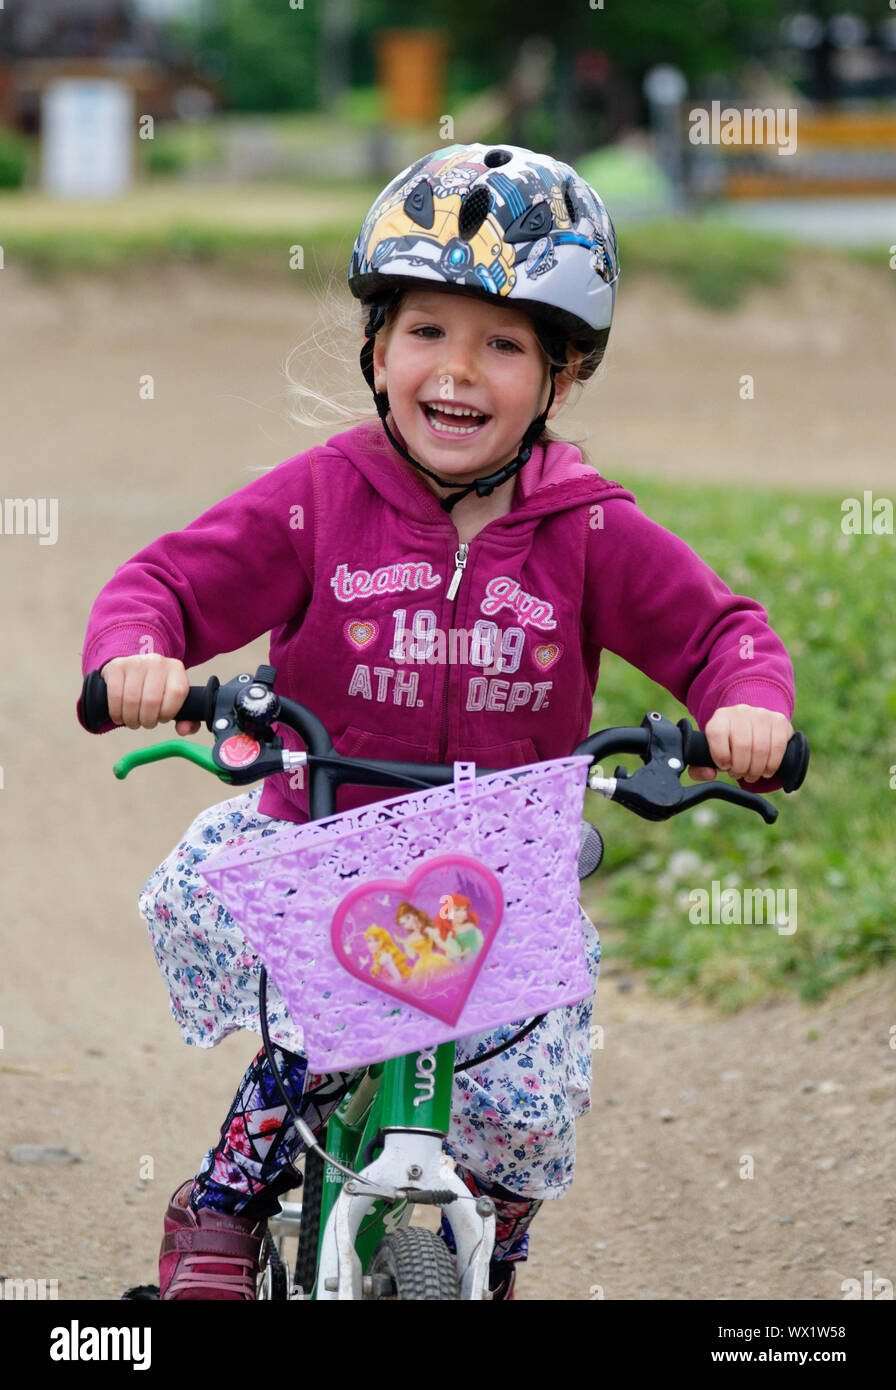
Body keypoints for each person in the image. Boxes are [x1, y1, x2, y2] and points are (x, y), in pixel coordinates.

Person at [76, 141, 795, 1301]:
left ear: (560, 378)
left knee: (518, 1110)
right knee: (305, 1045)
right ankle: (219, 1210)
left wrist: (745, 711)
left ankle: (487, 1252)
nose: (456, 371)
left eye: (502, 343)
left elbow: (719, 637)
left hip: (503, 870)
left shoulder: (591, 530)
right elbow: (167, 583)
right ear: (374, 348)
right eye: (426, 332)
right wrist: (139, 657)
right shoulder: (319, 500)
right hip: (328, 845)